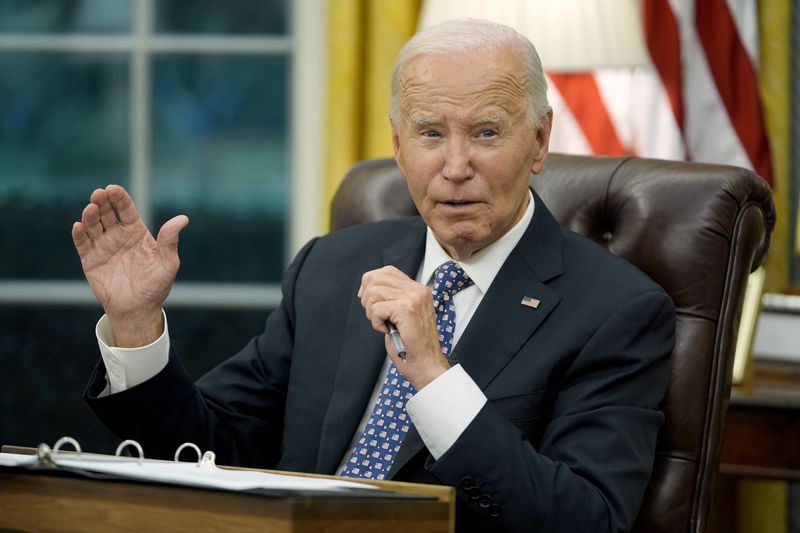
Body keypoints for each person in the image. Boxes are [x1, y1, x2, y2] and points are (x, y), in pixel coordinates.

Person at [72, 19, 675, 533]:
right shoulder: (331, 267)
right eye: (430, 134)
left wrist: (436, 381)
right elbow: (210, 448)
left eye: (486, 132)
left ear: (539, 140)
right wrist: (136, 327)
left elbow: (586, 519)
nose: (456, 167)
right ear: (397, 142)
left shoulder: (616, 309)